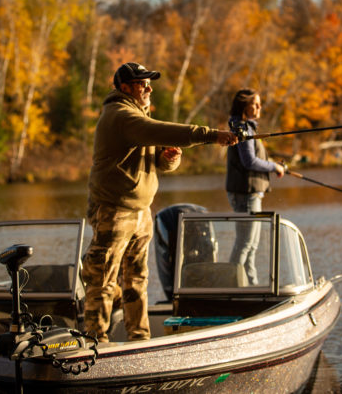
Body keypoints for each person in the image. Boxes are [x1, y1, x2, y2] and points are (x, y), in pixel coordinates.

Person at [84, 62, 237, 342]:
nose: (149, 88)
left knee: (137, 282)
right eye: (143, 83)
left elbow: (161, 164)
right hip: (114, 211)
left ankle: (139, 338)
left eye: (149, 82)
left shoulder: (139, 118)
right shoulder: (120, 116)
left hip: (141, 212)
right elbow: (164, 131)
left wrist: (170, 158)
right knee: (103, 281)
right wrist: (213, 135)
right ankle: (96, 343)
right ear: (126, 88)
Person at [225, 89, 285, 285]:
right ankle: (229, 287)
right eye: (256, 104)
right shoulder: (241, 128)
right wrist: (275, 167)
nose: (259, 107)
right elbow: (249, 162)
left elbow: (253, 159)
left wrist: (274, 165)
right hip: (246, 194)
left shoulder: (244, 127)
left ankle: (251, 286)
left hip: (251, 193)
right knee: (245, 244)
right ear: (245, 106)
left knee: (251, 245)